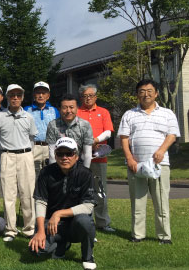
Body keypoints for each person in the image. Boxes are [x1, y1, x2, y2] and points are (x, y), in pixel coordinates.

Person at [118, 79, 180, 244]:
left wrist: (161, 151)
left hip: (160, 164)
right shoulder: (129, 114)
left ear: (156, 93)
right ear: (137, 94)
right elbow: (124, 138)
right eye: (142, 91)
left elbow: (172, 135)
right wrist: (129, 158)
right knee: (138, 203)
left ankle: (164, 236)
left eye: (149, 90)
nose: (146, 94)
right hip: (136, 165)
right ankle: (138, 235)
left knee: (161, 202)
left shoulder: (167, 113)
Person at [29, 137, 97, 270]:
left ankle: (88, 256)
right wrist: (41, 231)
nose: (64, 157)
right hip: (52, 225)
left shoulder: (85, 173)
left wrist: (59, 213)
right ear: (55, 155)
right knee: (36, 250)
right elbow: (40, 202)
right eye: (60, 154)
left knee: (85, 220)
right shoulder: (45, 173)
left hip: (75, 224)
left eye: (69, 153)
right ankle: (61, 244)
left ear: (76, 156)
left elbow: (88, 206)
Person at [0, 84, 37, 241]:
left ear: (23, 97)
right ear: (7, 97)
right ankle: (10, 229)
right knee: (8, 194)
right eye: (12, 95)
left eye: (18, 95)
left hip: (25, 155)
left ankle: (29, 228)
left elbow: (32, 139)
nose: (15, 98)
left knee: (28, 193)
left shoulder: (29, 117)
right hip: (7, 156)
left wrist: (24, 152)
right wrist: (5, 151)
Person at [77, 84, 115, 232]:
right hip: (80, 157)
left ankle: (103, 223)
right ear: (81, 98)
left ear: (95, 97)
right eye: (85, 96)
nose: (88, 98)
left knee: (100, 191)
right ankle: (85, 221)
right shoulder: (77, 112)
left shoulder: (103, 112)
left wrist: (95, 140)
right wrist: (85, 143)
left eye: (91, 95)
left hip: (99, 158)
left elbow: (108, 132)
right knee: (82, 191)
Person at [46, 94, 93, 168]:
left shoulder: (85, 125)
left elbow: (87, 153)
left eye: (71, 107)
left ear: (77, 108)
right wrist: (54, 173)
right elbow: (52, 153)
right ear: (59, 109)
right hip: (59, 165)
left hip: (79, 165)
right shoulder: (52, 125)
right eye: (65, 108)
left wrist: (85, 172)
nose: (68, 111)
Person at [24, 81, 60, 177]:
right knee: (33, 175)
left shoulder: (54, 110)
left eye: (43, 93)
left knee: (50, 174)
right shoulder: (27, 110)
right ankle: (35, 192)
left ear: (48, 95)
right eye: (38, 93)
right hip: (33, 146)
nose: (40, 95)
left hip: (50, 146)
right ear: (34, 95)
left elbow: (59, 129)